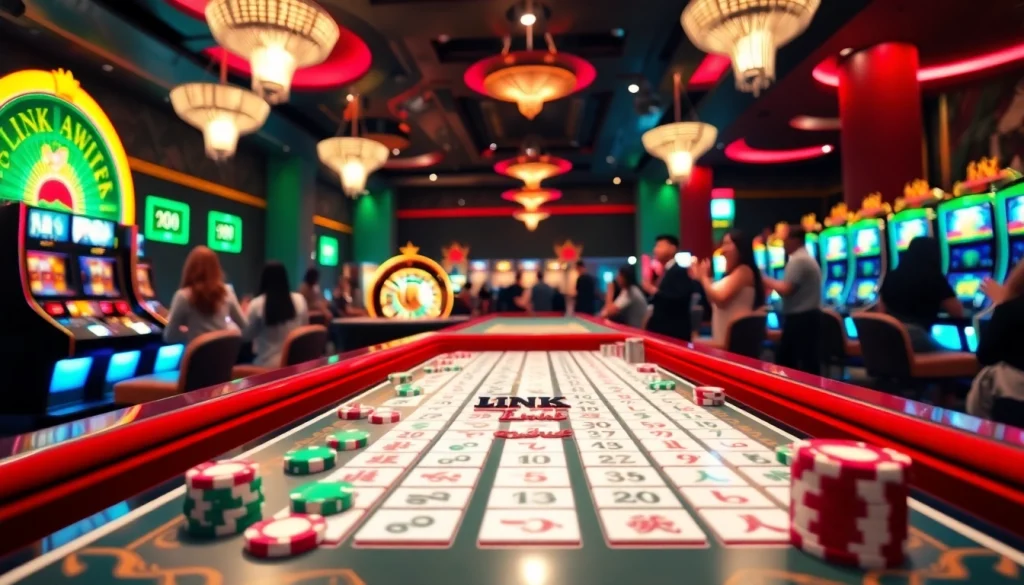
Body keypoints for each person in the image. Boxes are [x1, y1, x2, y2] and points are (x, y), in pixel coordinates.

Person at [877, 236, 963, 352]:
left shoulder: (891, 276)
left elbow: (881, 311)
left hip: (891, 341)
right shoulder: (933, 277)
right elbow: (957, 312)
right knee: (963, 354)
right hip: (916, 341)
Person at [762, 225, 822, 374]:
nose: (783, 243)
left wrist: (764, 279)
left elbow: (786, 290)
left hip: (801, 319)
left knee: (788, 364)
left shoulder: (798, 260)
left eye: (786, 239)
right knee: (806, 363)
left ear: (796, 240)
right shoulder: (804, 257)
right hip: (808, 317)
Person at [967, 262, 1024, 420]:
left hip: (1013, 401)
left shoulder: (1011, 309)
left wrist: (1003, 304)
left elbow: (985, 356)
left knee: (995, 373)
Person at [690, 230, 765, 346]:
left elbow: (720, 299)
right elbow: (713, 301)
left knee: (688, 343)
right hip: (722, 338)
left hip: (733, 343)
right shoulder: (733, 274)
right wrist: (703, 279)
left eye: (727, 244)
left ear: (740, 247)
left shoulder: (744, 270)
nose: (723, 249)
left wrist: (704, 278)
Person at [164, 246, 247, 344]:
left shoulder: (183, 296)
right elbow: (245, 327)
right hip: (223, 353)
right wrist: (223, 333)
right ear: (216, 268)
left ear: (190, 268)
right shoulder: (227, 293)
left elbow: (169, 336)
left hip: (195, 353)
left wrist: (193, 334)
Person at [243, 262, 309, 367]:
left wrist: (244, 312)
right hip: (295, 365)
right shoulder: (300, 300)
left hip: (266, 366)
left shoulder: (257, 304)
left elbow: (246, 336)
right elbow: (305, 328)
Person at [642, 235, 694, 341]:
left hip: (673, 333)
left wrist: (653, 290)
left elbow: (677, 300)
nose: (655, 250)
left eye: (660, 246)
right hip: (664, 332)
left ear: (672, 249)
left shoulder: (679, 271)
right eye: (655, 246)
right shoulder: (665, 271)